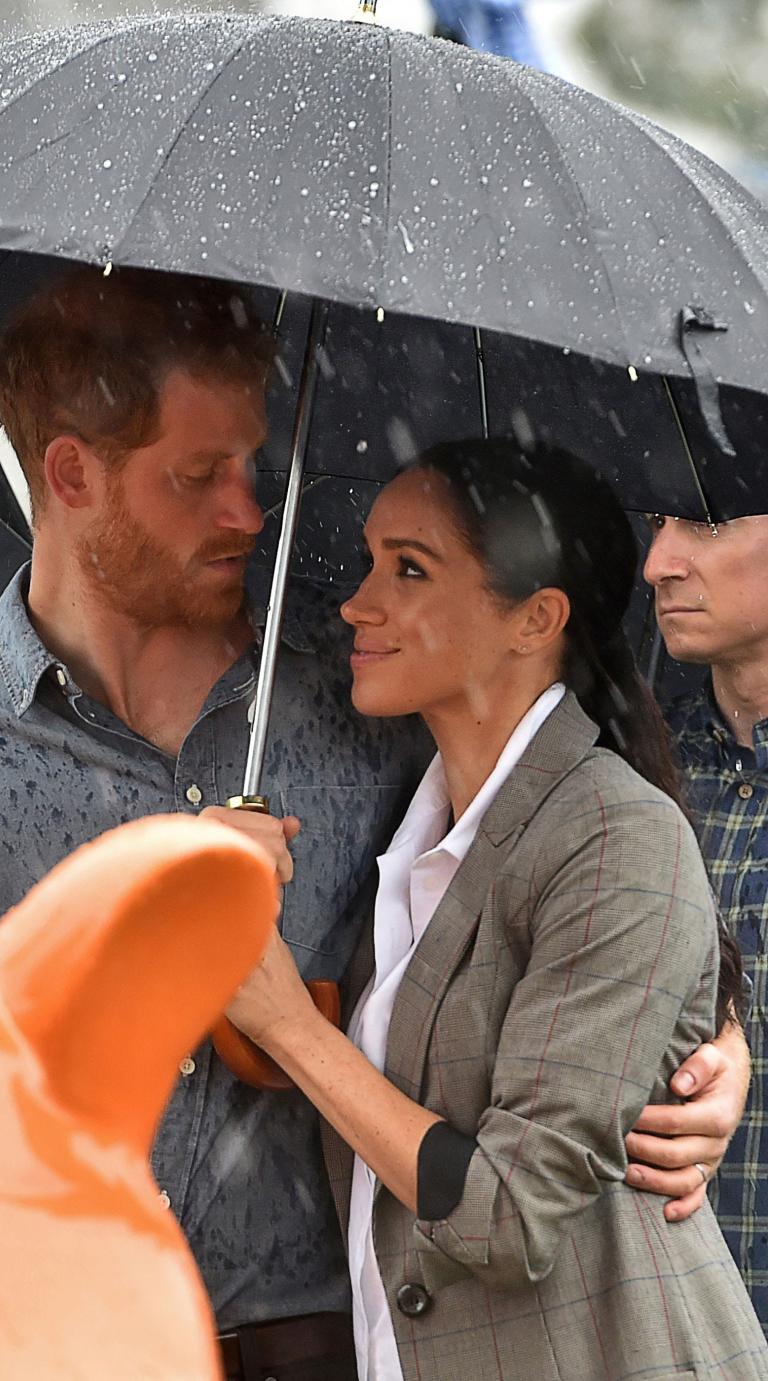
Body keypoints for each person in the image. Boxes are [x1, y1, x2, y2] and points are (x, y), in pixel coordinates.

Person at [0, 268, 749, 1377]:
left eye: (251, 466)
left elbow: (574, 881)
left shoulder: (364, 703)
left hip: (333, 1339)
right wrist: (134, 925)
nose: (246, 511)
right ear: (70, 473)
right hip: (49, 1334)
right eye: (199, 475)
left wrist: (713, 1046)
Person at [222, 440, 766, 1380]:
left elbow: (507, 1216)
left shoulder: (613, 830)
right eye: (367, 560)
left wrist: (291, 1029)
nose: (357, 601)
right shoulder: (409, 824)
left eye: (410, 569)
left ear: (534, 620)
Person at [645, 510, 768, 1332]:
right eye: (660, 522)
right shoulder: (636, 763)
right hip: (665, 1316)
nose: (658, 561)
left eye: (710, 523)